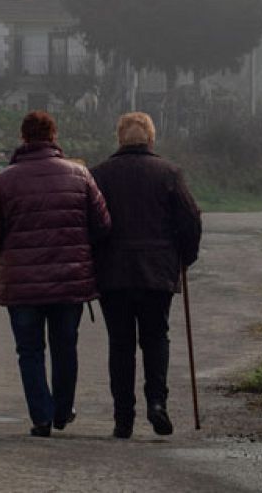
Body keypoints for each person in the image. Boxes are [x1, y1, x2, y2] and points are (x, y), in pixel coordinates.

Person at [0, 110, 111, 437]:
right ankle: (63, 411)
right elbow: (102, 224)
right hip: (69, 280)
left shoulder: (3, 180)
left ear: (23, 138)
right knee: (66, 346)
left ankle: (41, 416)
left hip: (22, 284)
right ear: (54, 136)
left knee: (30, 351)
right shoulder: (79, 175)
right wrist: (82, 253)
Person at [90, 111, 203, 439]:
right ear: (151, 140)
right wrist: (185, 257)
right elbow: (191, 220)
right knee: (155, 338)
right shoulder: (169, 173)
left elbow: (92, 225)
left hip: (114, 274)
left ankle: (123, 418)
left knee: (120, 344)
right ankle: (157, 403)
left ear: (119, 139)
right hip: (158, 271)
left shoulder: (99, 175)